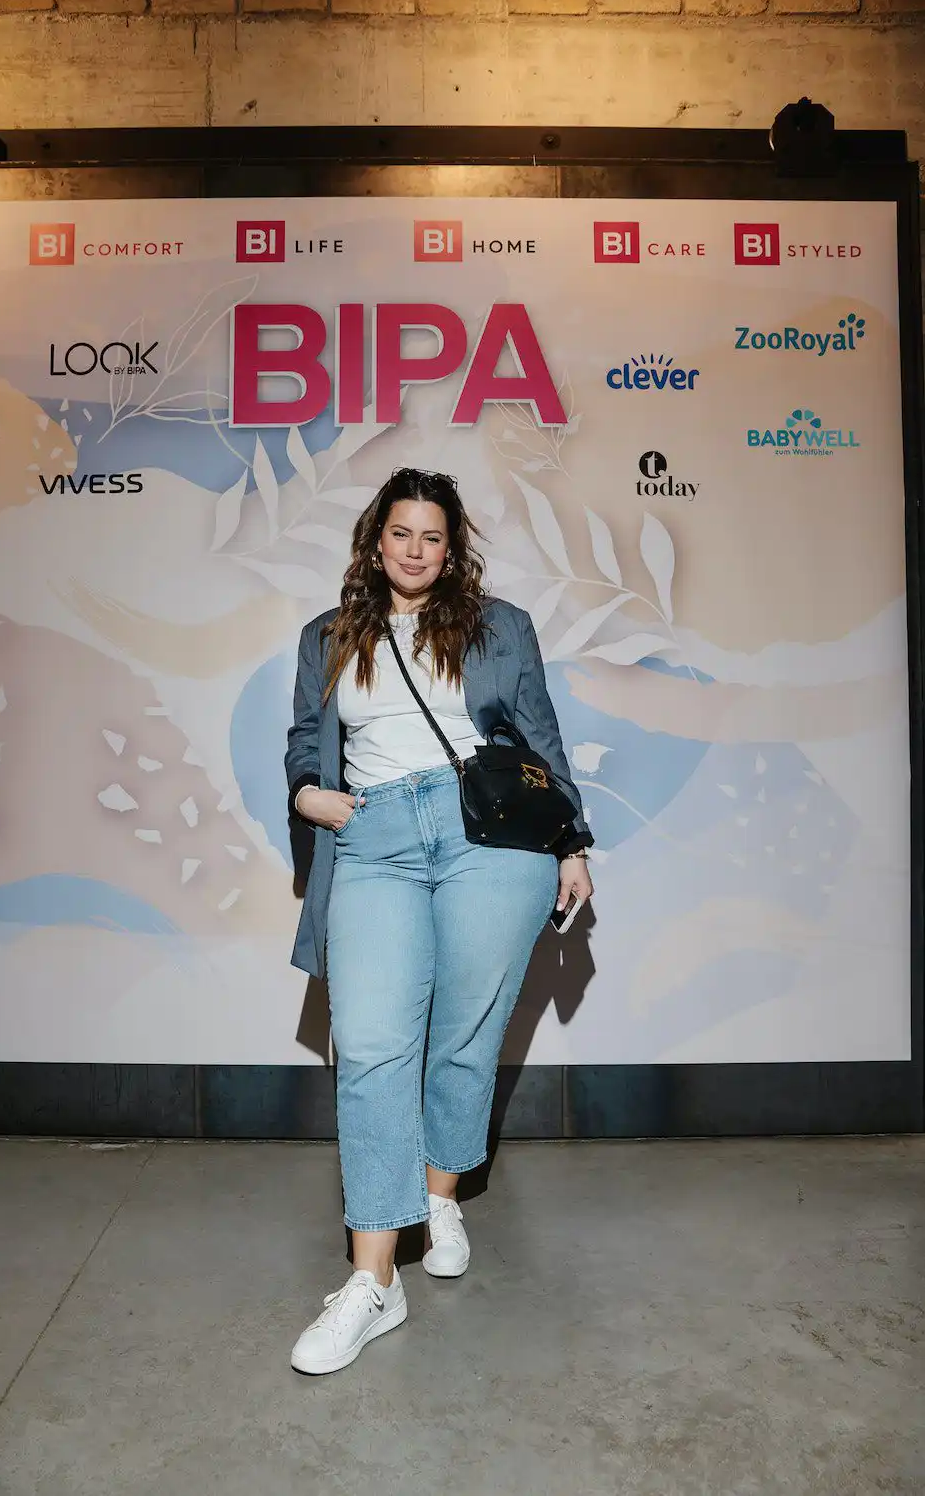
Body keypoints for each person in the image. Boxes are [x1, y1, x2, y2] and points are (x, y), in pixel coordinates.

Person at [285, 466, 593, 1375]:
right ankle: (374, 1280)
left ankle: (440, 1191)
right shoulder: (328, 635)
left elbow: (539, 740)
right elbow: (307, 739)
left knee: (465, 1031)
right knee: (372, 1046)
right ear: (374, 540)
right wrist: (308, 793)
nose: (415, 551)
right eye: (400, 534)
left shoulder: (502, 628)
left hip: (486, 838)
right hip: (374, 834)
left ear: (451, 549)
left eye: (432, 537)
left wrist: (571, 842)